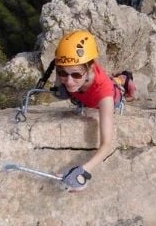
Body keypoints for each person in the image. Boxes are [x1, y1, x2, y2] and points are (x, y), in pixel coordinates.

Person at [50, 30, 119, 192]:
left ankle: (122, 82)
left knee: (117, 89)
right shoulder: (71, 75)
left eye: (75, 74)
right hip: (84, 97)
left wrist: (83, 170)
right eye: (62, 73)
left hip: (108, 98)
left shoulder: (104, 93)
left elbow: (106, 144)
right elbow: (67, 76)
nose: (68, 81)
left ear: (90, 69)